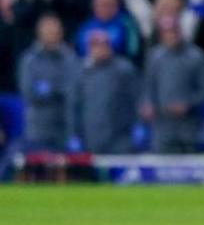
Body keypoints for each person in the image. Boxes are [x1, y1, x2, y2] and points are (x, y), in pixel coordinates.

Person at [142, 12, 204, 153]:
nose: (171, 35)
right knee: (162, 168)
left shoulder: (196, 56)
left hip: (189, 125)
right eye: (166, 32)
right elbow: (148, 86)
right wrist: (148, 103)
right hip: (163, 125)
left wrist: (189, 104)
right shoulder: (154, 57)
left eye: (173, 31)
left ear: (180, 31)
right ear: (161, 34)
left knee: (189, 168)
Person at [72, 28, 141, 155]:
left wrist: (137, 127)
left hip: (120, 138)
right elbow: (76, 105)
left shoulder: (124, 70)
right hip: (91, 138)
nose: (99, 49)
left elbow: (137, 99)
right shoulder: (82, 72)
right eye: (95, 45)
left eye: (103, 45)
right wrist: (76, 134)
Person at [17, 14, 79, 152]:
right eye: (48, 32)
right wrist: (58, 91)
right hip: (38, 130)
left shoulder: (70, 58)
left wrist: (48, 89)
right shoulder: (29, 60)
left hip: (65, 128)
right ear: (39, 34)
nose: (52, 36)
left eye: (55, 32)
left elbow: (73, 90)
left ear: (61, 33)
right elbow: (29, 93)